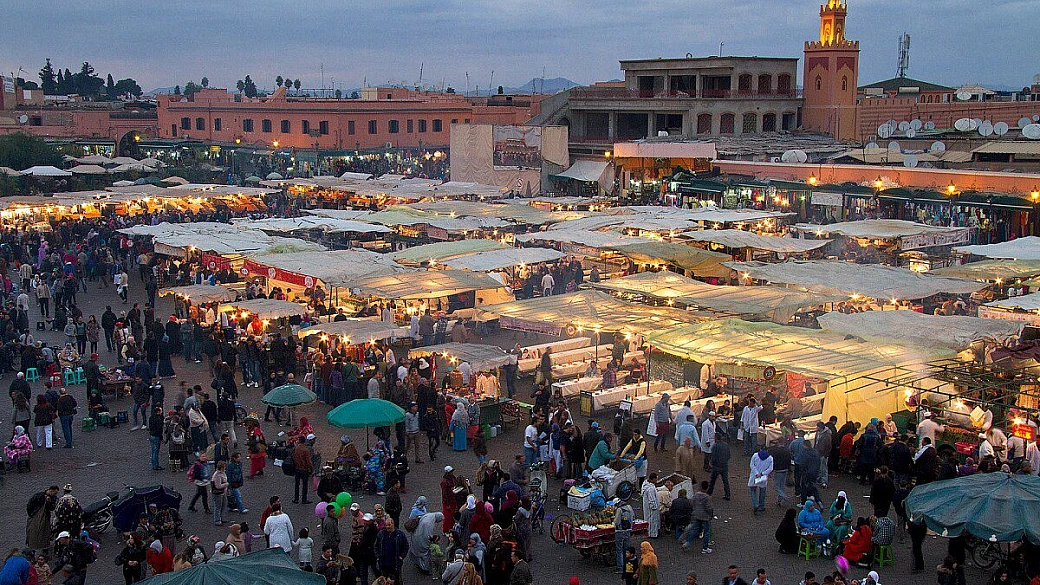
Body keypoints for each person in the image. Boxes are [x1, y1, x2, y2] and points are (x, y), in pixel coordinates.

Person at [681, 481, 714, 554]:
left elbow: (692, 503)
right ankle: (705, 548)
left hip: (696, 515)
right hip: (705, 517)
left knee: (694, 530)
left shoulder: (696, 495)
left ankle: (687, 543)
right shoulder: (707, 497)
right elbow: (709, 508)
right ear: (707, 488)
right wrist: (710, 515)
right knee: (706, 532)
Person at [26, 485, 59, 553]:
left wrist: (49, 502)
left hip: (45, 517)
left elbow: (52, 508)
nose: (55, 495)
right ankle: (32, 544)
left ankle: (44, 546)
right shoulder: (39, 495)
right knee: (33, 530)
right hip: (35, 516)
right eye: (54, 493)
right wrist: (31, 514)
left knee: (45, 531)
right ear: (50, 490)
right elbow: (30, 505)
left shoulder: (53, 498)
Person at [375, 519, 408, 583]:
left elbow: (406, 546)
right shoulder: (381, 534)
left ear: (393, 524)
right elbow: (376, 546)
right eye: (386, 525)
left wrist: (402, 556)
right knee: (384, 581)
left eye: (389, 525)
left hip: (395, 563)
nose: (387, 527)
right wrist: (378, 556)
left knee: (397, 580)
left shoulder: (400, 535)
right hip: (384, 563)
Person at [708, 430, 731, 500]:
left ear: (716, 438)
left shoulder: (715, 446)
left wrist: (711, 463)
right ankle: (727, 495)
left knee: (712, 481)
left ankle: (709, 493)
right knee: (725, 481)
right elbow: (729, 455)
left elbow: (713, 457)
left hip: (716, 467)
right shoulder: (726, 445)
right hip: (724, 466)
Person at [748, 448, 773, 514]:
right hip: (763, 477)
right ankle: (761, 506)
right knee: (763, 491)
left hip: (754, 476)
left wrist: (756, 473)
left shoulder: (755, 455)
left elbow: (751, 465)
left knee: (753, 490)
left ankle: (755, 504)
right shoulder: (770, 458)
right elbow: (770, 469)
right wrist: (762, 473)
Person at [613, 499, 635, 571]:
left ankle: (620, 567)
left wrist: (613, 523)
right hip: (628, 531)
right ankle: (627, 566)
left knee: (619, 550)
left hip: (620, 531)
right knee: (626, 549)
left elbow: (617, 522)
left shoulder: (619, 509)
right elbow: (633, 517)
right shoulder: (629, 507)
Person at [641, 472, 661, 538]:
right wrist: (655, 507)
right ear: (653, 479)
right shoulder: (650, 489)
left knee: (648, 520)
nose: (656, 480)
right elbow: (652, 499)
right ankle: (652, 534)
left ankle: (649, 532)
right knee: (652, 521)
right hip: (651, 509)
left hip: (647, 507)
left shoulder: (645, 485)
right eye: (656, 479)